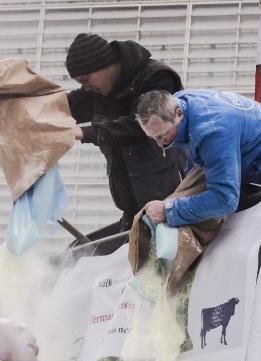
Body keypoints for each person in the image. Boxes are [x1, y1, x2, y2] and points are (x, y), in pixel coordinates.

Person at [134, 89, 261, 227]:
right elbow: (197, 159)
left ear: (178, 114)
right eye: (154, 138)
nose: (160, 144)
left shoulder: (212, 130)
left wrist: (169, 211)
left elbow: (224, 200)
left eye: (162, 135)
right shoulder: (182, 101)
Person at [65, 33, 186, 230]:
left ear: (104, 63)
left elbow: (141, 125)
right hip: (133, 210)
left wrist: (87, 132)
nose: (85, 87)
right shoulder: (100, 90)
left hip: (170, 204)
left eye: (86, 79)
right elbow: (65, 106)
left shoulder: (157, 78)